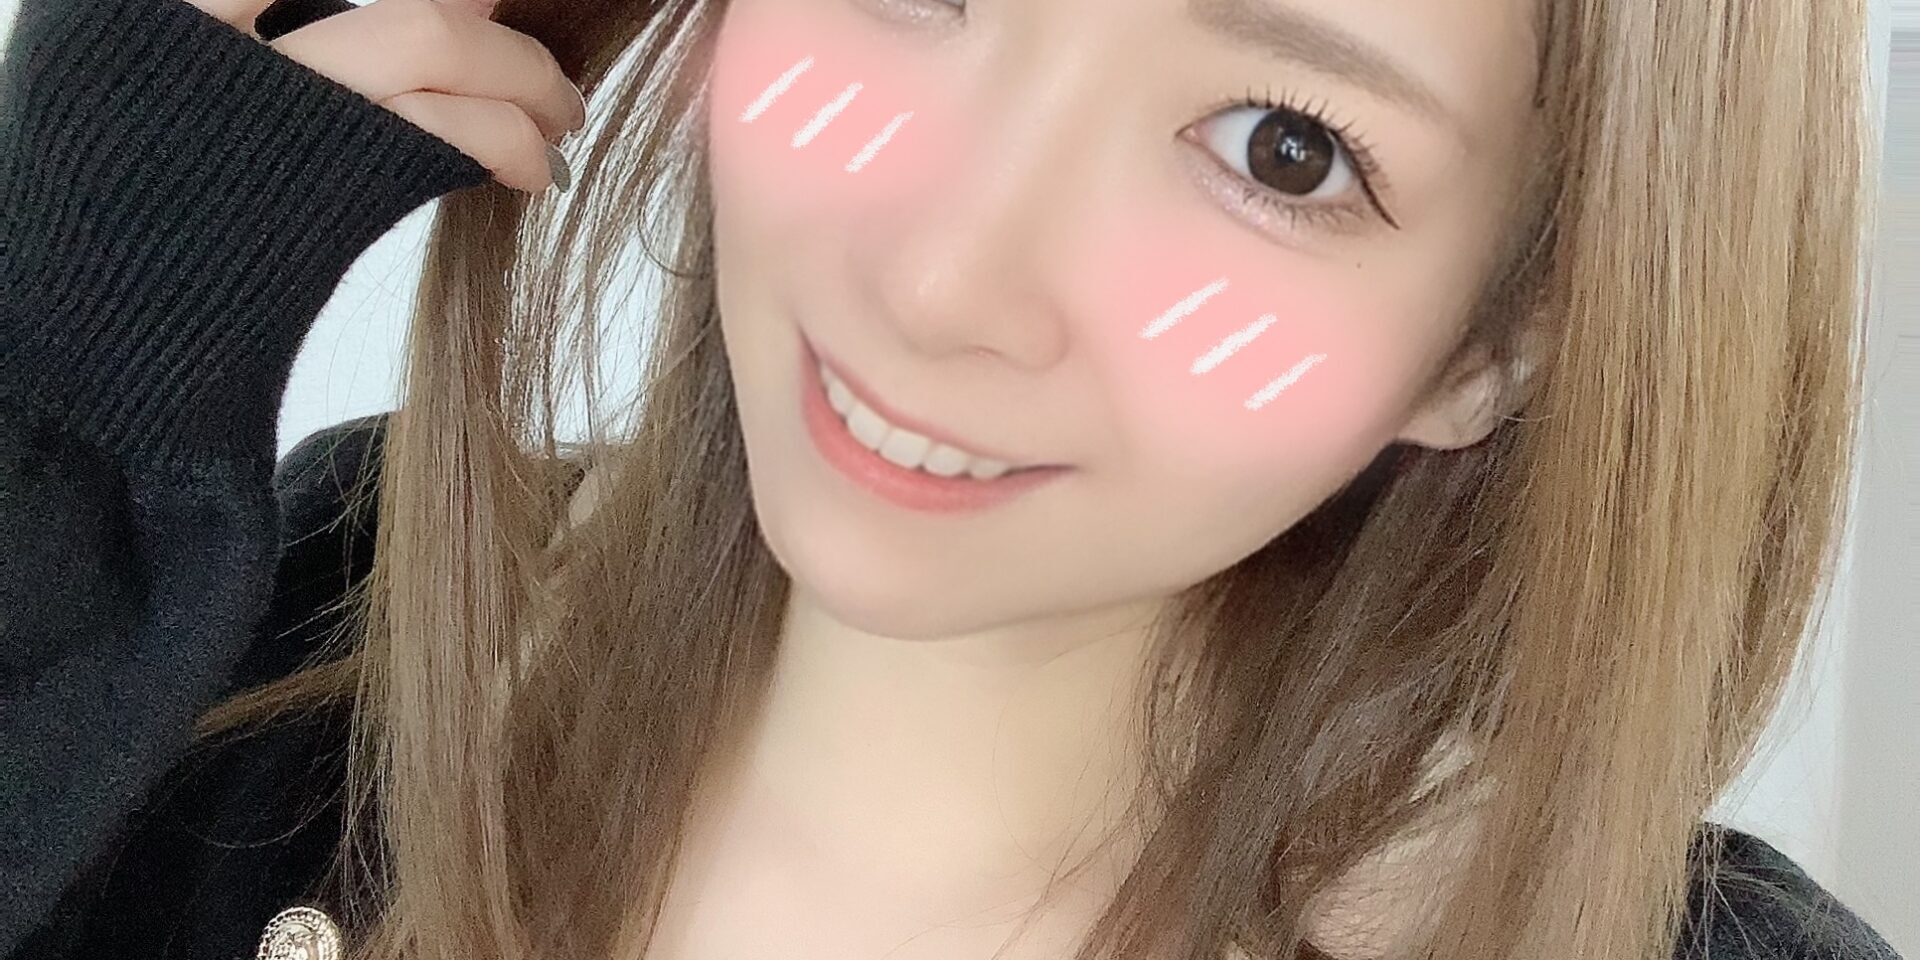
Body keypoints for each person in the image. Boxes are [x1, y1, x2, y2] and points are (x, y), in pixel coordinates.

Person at [0, 0, 1902, 957]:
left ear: (1504, 339)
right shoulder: (289, 632)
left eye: (1285, 150)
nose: (944, 281)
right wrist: (61, 361)